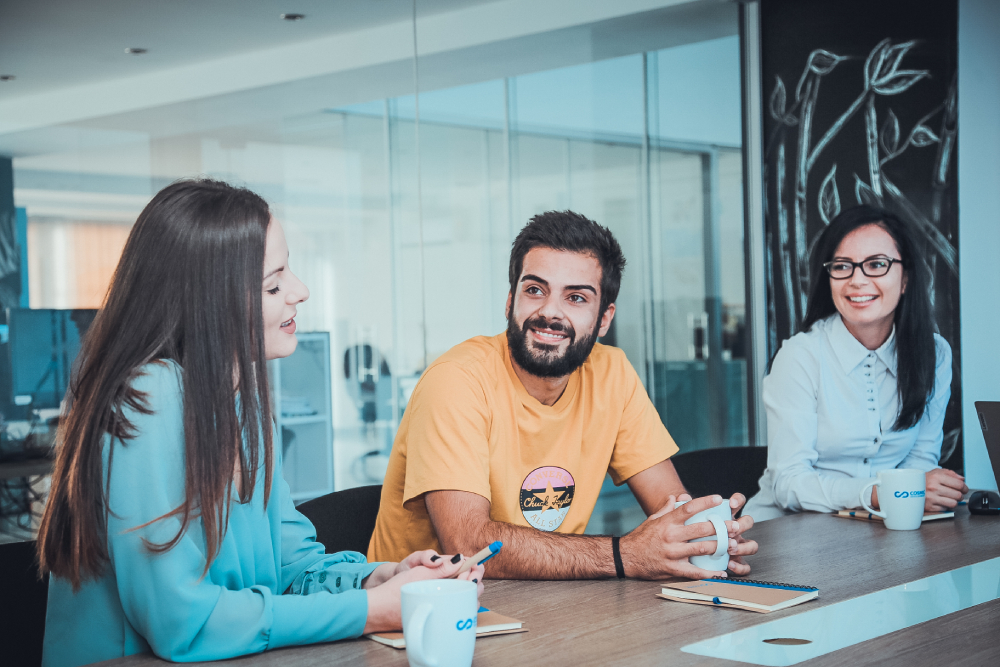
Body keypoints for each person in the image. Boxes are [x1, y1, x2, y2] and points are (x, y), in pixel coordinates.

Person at [36, 180, 483, 667]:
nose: (300, 291)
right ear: (209, 300)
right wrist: (372, 611)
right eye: (274, 283)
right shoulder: (149, 396)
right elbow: (184, 623)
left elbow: (291, 568)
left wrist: (381, 580)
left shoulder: (241, 406)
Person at [368, 211, 757, 580]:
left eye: (576, 298)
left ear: (604, 318)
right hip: (423, 614)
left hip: (550, 602)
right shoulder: (456, 381)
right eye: (535, 290)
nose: (549, 312)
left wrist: (706, 537)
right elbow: (467, 543)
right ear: (510, 301)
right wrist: (625, 555)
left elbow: (671, 506)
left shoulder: (611, 372)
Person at [744, 205, 968, 521]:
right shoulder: (800, 356)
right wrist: (883, 493)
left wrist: (912, 493)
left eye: (877, 264)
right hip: (786, 535)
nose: (857, 280)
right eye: (842, 266)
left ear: (905, 279)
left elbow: (920, 461)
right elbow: (788, 483)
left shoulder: (934, 355)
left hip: (877, 528)